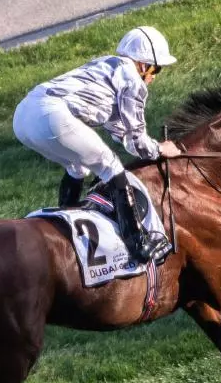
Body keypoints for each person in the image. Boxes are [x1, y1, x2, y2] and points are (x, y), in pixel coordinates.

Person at [13, 26, 181, 263]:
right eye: (157, 69)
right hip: (51, 115)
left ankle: (67, 227)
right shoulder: (133, 80)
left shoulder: (107, 64)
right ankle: (139, 245)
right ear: (143, 65)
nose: (154, 77)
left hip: (22, 117)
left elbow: (119, 130)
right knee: (110, 165)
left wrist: (147, 146)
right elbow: (138, 141)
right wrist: (161, 149)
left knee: (78, 167)